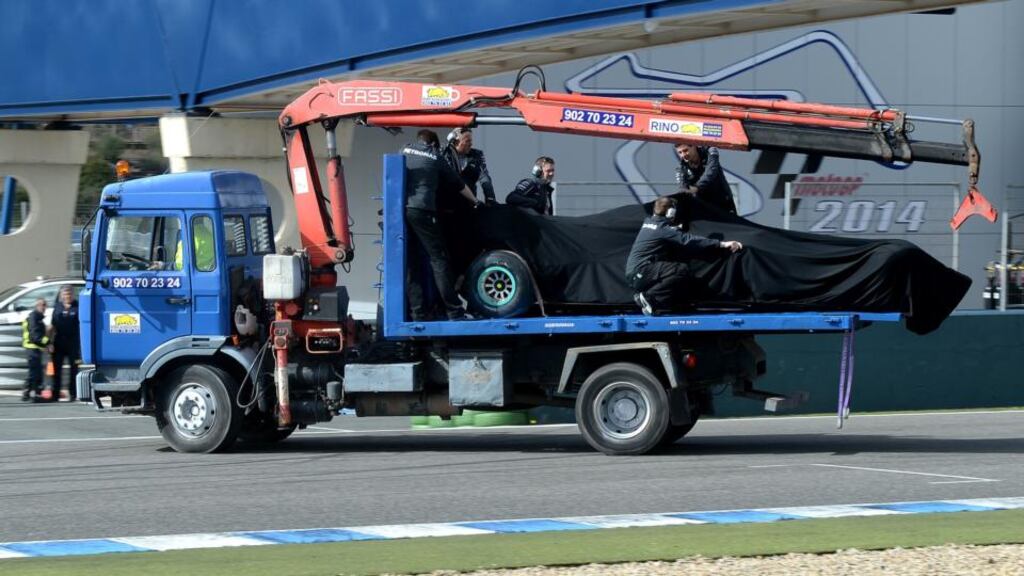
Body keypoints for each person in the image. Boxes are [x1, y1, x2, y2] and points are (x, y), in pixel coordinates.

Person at [403, 129, 479, 320]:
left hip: (402, 211)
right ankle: (454, 310)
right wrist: (476, 201)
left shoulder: (404, 149)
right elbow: (459, 185)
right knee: (439, 259)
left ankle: (417, 313)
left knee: (410, 263)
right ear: (434, 144)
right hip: (424, 211)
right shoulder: (436, 157)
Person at [626, 196, 743, 315]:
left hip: (635, 273)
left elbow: (661, 230)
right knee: (680, 270)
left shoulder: (649, 222)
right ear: (670, 212)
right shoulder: (664, 230)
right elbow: (690, 240)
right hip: (641, 272)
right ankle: (649, 297)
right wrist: (722, 244)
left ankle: (653, 301)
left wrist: (674, 228)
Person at [675, 143, 737, 215]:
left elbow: (711, 172)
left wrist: (697, 187)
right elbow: (682, 187)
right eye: (680, 152)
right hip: (703, 205)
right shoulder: (681, 167)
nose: (683, 155)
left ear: (694, 146)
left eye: (685, 150)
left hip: (723, 202)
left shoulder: (709, 152)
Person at [443, 128, 496, 205]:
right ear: (456, 142)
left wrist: (490, 198)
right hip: (448, 203)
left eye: (471, 141)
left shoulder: (477, 155)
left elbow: (484, 177)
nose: (471, 144)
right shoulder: (445, 154)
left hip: (469, 203)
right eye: (467, 141)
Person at [49, 286, 80, 402]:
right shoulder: (57, 307)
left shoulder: (78, 307)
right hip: (59, 343)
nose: (68, 296)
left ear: (73, 295)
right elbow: (52, 326)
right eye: (65, 294)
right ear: (62, 295)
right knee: (56, 369)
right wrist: (49, 342)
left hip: (73, 344)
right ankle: (55, 393)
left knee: (74, 369)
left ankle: (73, 393)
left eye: (70, 294)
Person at [21, 298, 49, 402]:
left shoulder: (38, 317)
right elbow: (35, 336)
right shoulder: (34, 317)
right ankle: (32, 393)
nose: (44, 307)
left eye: (45, 305)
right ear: (37, 305)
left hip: (35, 348)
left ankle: (30, 393)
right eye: (42, 305)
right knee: (35, 372)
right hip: (31, 348)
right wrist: (48, 342)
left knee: (35, 372)